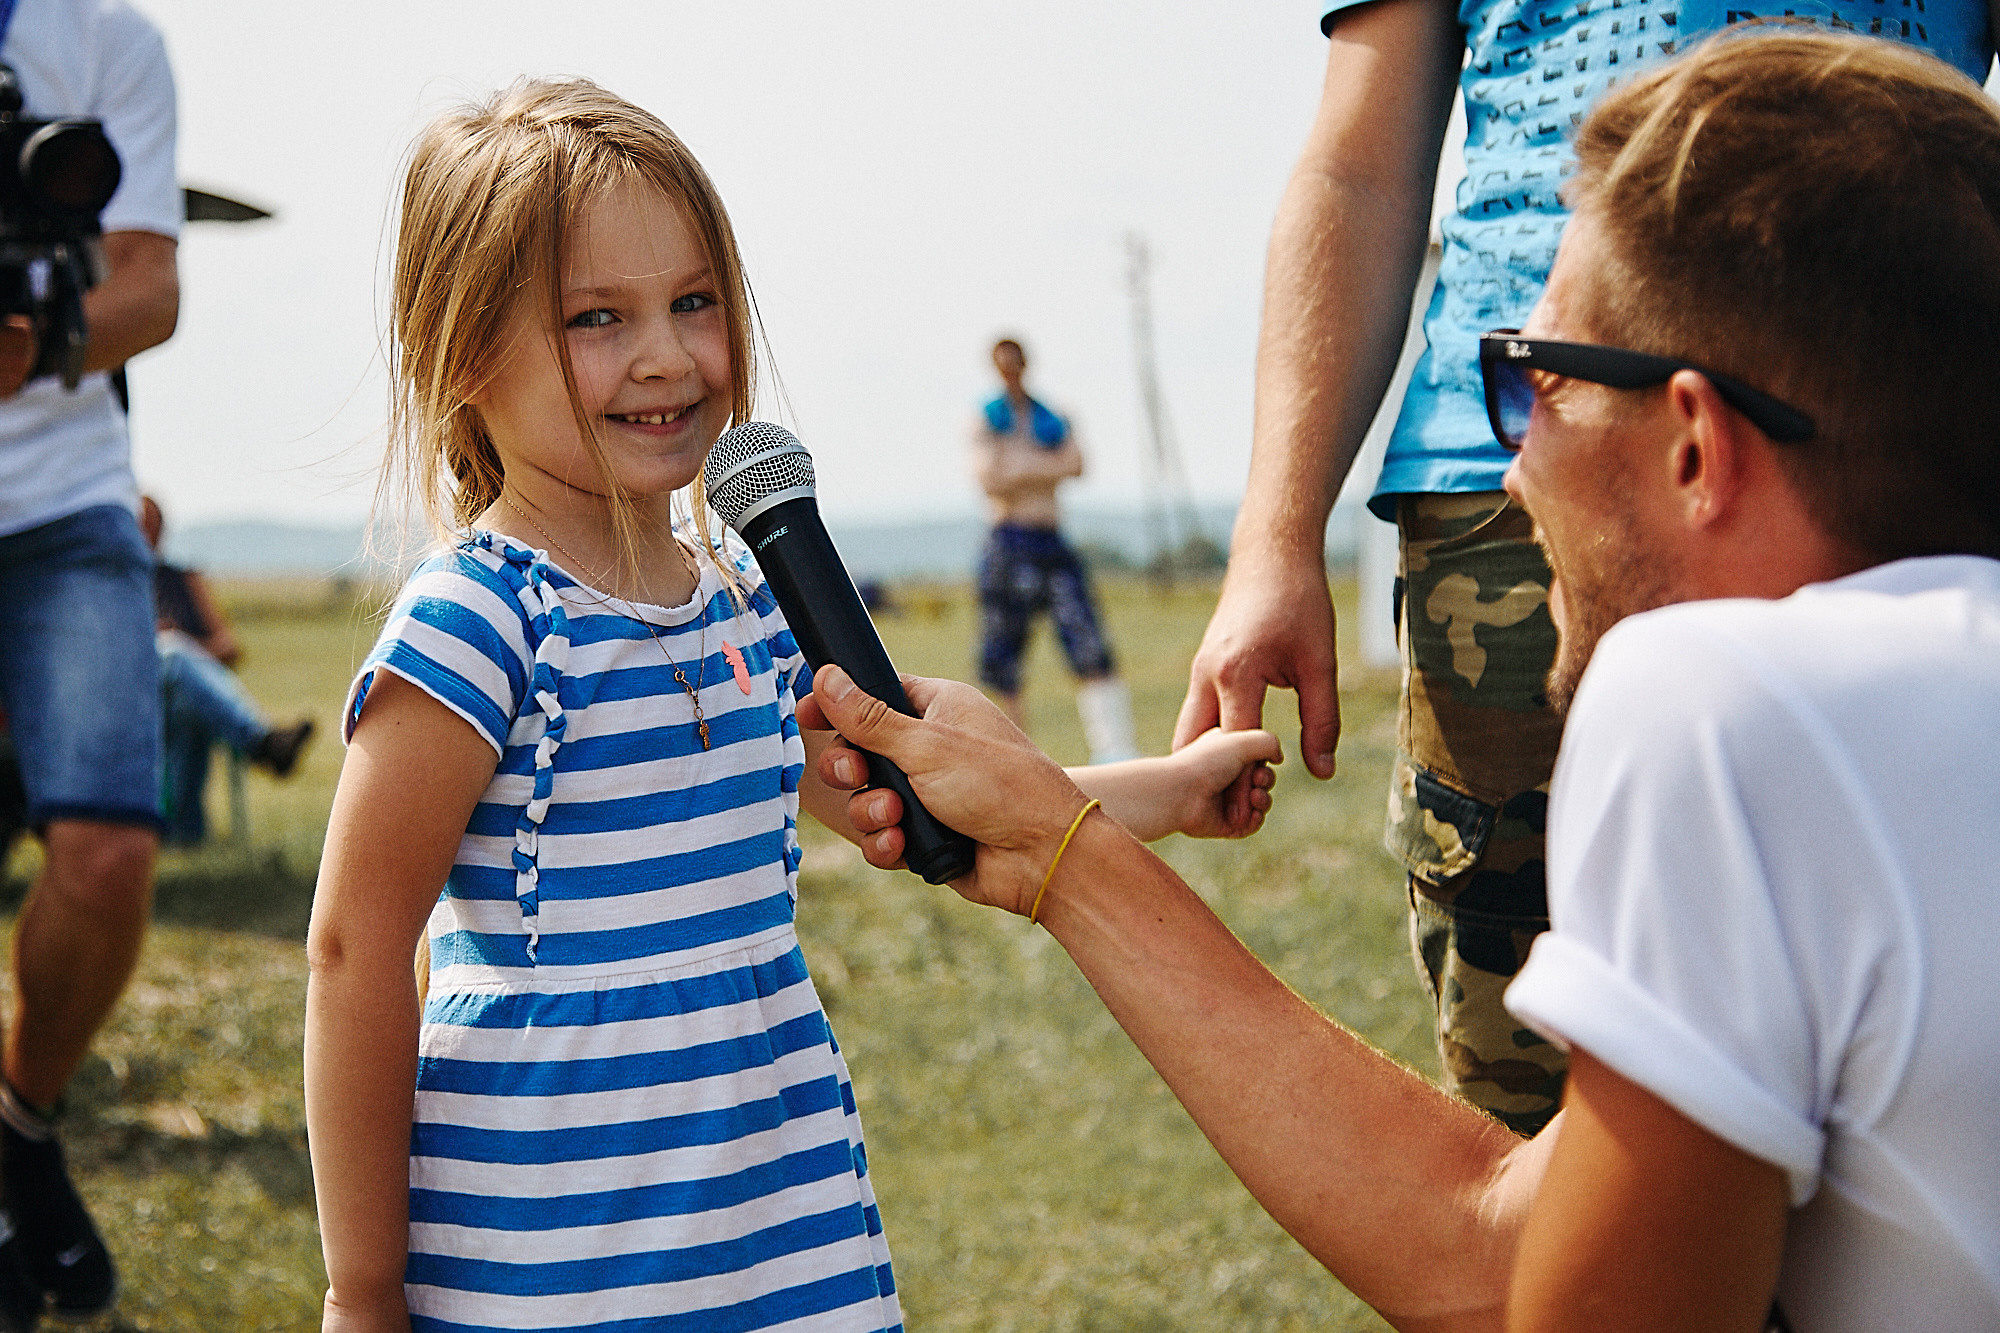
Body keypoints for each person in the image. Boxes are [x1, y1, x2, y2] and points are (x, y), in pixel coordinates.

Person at [807, 31, 2000, 1330]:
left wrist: (1065, 858)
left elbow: (1521, 1290)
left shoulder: (1725, 709)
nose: (1515, 464)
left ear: (1699, 443)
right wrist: (1056, 845)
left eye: (1529, 381)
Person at [302, 79, 1279, 1333]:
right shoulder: (480, 622)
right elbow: (354, 946)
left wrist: (1167, 790)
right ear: (461, 353)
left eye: (693, 302)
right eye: (597, 316)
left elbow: (915, 790)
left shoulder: (742, 607)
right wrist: (364, 1288)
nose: (667, 355)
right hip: (556, 1243)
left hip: (775, 1226)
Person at [1173, 0, 1998, 1136]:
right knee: (1533, 1079)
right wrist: (1273, 537)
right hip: (1513, 462)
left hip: (1884, 444)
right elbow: (1356, 165)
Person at [0, 1, 181, 1326]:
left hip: (66, 501)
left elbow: (151, 287)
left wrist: (46, 342)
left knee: (109, 854)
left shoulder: (107, 36)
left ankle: (20, 1121)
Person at [971, 337, 1139, 763]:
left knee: (1089, 641)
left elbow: (1077, 464)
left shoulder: (1051, 415)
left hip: (1050, 539)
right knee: (1003, 658)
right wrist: (1045, 466)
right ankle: (1012, 759)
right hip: (1008, 542)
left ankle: (1115, 750)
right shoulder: (987, 417)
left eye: (1017, 361)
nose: (1011, 369)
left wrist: (1019, 463)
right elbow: (990, 477)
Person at [138, 497, 315, 845]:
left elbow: (229, 647)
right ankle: (261, 742)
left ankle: (183, 836)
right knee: (172, 657)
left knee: (187, 697)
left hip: (181, 699)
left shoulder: (183, 579)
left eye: (155, 522)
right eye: (142, 522)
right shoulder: (117, 585)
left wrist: (185, 642)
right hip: (139, 702)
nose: (150, 531)